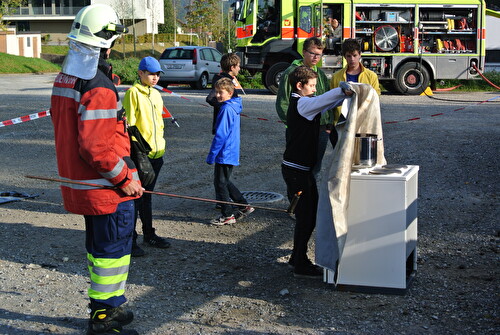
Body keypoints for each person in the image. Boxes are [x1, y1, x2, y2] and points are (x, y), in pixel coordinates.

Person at [50, 4, 141, 335]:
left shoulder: (67, 76)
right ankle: (104, 318)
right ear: (109, 40)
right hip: (107, 189)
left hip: (86, 185)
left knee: (102, 252)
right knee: (111, 253)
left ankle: (108, 307)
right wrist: (125, 179)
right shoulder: (98, 85)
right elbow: (96, 148)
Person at [281, 65, 353, 278]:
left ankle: (297, 257)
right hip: (296, 171)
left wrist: (344, 96)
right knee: (306, 217)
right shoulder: (302, 103)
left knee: (309, 215)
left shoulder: (306, 103)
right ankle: (299, 263)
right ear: (299, 86)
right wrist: (343, 89)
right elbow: (323, 100)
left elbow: (326, 102)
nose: (314, 89)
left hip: (301, 170)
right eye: (311, 86)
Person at [123, 56, 170, 257]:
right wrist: (136, 154)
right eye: (151, 74)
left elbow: (159, 124)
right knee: (136, 197)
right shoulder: (133, 93)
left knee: (147, 197)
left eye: (157, 74)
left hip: (157, 154)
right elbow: (129, 126)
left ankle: (149, 234)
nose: (155, 78)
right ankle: (130, 240)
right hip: (141, 155)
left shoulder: (156, 95)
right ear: (140, 73)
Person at [276, 37, 334, 181]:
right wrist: (294, 124)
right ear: (303, 52)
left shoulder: (320, 74)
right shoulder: (291, 73)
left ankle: (310, 199)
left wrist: (329, 123)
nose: (316, 57)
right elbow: (282, 103)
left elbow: (326, 100)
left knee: (315, 167)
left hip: (320, 129)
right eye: (312, 53)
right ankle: (298, 200)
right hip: (300, 130)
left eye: (319, 54)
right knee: (298, 167)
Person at [206, 78, 254, 225]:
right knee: (224, 181)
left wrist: (212, 154)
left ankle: (227, 215)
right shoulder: (232, 106)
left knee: (220, 183)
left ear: (230, 93)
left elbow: (221, 134)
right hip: (229, 150)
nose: (218, 95)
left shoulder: (226, 109)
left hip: (224, 152)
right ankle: (243, 205)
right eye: (216, 92)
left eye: (221, 93)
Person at [206, 53, 242, 135]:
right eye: (238, 66)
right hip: (224, 125)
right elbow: (210, 98)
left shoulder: (228, 80)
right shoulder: (223, 81)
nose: (239, 69)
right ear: (232, 67)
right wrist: (226, 107)